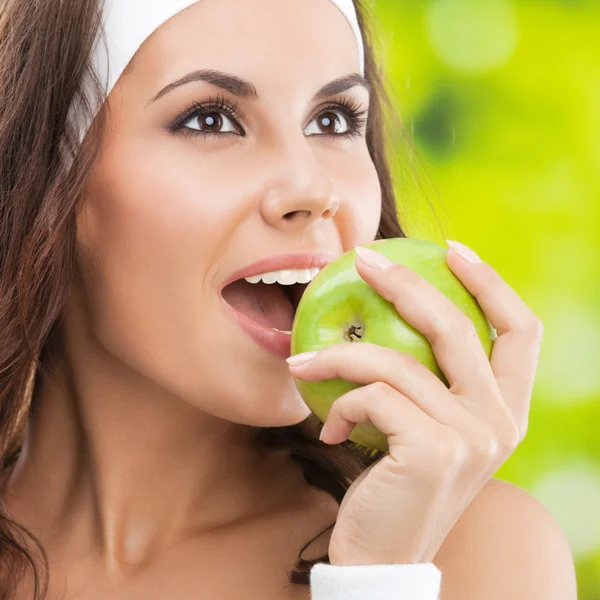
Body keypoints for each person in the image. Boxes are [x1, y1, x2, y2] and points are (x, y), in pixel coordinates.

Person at [0, 0, 577, 598]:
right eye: (210, 120)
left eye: (333, 120)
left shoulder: (475, 552)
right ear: (45, 181)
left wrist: (378, 578)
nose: (313, 188)